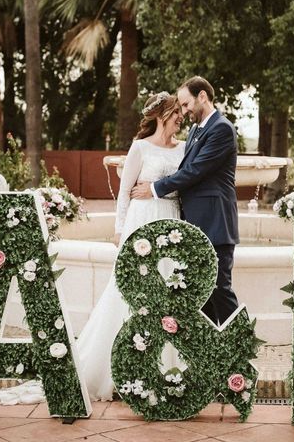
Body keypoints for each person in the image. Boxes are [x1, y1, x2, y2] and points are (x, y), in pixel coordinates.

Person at [77, 91, 186, 401]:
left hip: (171, 221)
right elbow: (124, 193)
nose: (181, 117)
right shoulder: (140, 148)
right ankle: (121, 368)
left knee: (167, 292)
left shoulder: (183, 149)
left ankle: (167, 367)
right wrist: (119, 230)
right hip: (141, 222)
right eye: (176, 112)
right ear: (162, 115)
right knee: (131, 292)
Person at [131, 76, 240, 326]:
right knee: (203, 294)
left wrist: (155, 188)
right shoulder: (194, 130)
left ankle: (239, 348)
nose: (183, 110)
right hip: (194, 225)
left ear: (202, 96)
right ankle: (212, 355)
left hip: (215, 223)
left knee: (220, 288)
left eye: (186, 103)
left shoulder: (222, 128)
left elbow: (195, 171)